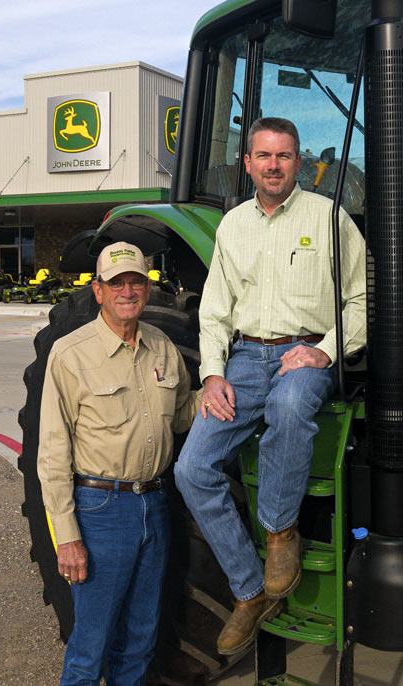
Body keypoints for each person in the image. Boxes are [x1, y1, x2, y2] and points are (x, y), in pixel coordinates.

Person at [174, 117, 366, 656]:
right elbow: (213, 311)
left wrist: (323, 350)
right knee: (192, 469)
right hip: (244, 358)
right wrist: (212, 373)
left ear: (298, 163)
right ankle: (249, 588)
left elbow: (359, 301)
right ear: (248, 163)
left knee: (288, 405)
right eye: (264, 156)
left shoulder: (329, 218)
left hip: (306, 353)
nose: (274, 166)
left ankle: (280, 534)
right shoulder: (232, 226)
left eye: (283, 157)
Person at [37, 241, 199, 686]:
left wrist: (229, 386)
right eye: (116, 283)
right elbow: (52, 454)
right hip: (101, 510)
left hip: (154, 505)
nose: (127, 291)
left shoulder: (162, 347)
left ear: (147, 288)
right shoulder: (70, 354)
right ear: (98, 290)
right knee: (91, 645)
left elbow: (183, 414)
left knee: (140, 640)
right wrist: (66, 537)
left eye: (136, 281)